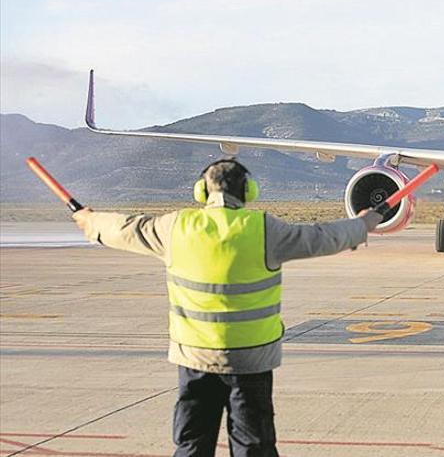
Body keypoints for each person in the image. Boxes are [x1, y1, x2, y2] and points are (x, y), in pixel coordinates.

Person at [73, 158, 383, 456]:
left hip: (195, 357)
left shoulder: (176, 227)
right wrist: (362, 224)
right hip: (251, 359)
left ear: (202, 192)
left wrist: (90, 221)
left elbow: (124, 228)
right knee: (254, 446)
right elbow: (321, 237)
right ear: (248, 191)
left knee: (192, 443)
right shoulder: (264, 229)